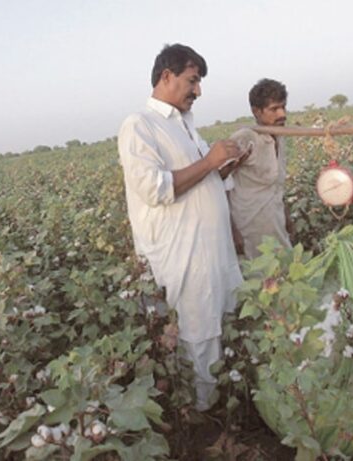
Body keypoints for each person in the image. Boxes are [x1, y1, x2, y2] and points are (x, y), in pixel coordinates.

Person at [117, 44, 246, 411]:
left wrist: (225, 167)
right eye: (192, 81)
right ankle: (201, 415)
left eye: (200, 82)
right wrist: (209, 162)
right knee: (197, 331)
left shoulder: (186, 124)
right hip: (182, 254)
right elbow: (155, 188)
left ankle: (229, 401)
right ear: (166, 76)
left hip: (213, 249)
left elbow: (200, 177)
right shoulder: (139, 125)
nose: (198, 91)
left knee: (223, 321)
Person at [227, 78, 294, 258]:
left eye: (283, 107)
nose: (282, 114)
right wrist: (232, 231)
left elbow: (276, 185)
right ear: (257, 111)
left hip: (275, 219)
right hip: (249, 225)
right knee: (259, 276)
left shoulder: (279, 136)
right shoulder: (245, 138)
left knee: (284, 272)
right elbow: (219, 182)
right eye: (274, 109)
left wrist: (286, 215)